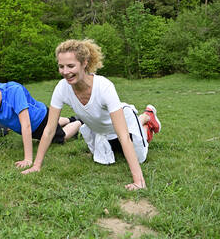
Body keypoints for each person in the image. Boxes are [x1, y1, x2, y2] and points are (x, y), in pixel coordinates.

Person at [22, 39, 161, 191]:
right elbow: (49, 129)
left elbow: (123, 135)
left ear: (84, 63)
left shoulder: (104, 87)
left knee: (140, 157)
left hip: (123, 124)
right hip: (101, 130)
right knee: (108, 156)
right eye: (61, 66)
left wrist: (138, 181)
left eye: (70, 66)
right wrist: (36, 165)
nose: (65, 72)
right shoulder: (62, 88)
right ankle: (143, 121)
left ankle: (146, 117)